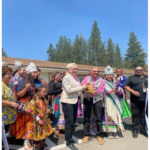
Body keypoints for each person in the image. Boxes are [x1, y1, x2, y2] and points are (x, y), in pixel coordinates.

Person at [10, 62, 45, 149]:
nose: (36, 74)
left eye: (36, 72)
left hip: (31, 105)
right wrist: (26, 89)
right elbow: (18, 94)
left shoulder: (33, 82)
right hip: (24, 106)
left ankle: (30, 140)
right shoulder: (23, 82)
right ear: (29, 73)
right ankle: (25, 142)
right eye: (34, 72)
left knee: (31, 124)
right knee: (25, 125)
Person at [60, 63, 89, 150]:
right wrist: (81, 87)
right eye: (73, 69)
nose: (75, 70)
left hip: (75, 101)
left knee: (73, 122)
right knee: (69, 122)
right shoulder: (66, 78)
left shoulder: (75, 78)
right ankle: (68, 141)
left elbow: (78, 88)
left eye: (76, 69)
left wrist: (84, 86)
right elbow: (69, 90)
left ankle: (70, 138)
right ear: (68, 70)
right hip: (68, 102)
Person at [81, 67, 106, 145]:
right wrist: (86, 88)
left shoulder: (102, 80)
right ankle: (86, 134)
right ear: (90, 72)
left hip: (97, 100)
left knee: (98, 118)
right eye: (94, 71)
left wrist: (90, 91)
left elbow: (100, 91)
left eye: (97, 71)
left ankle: (99, 135)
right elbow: (82, 85)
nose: (96, 72)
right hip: (87, 99)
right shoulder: (86, 78)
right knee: (86, 117)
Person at [124, 65, 148, 138]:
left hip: (146, 100)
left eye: (140, 70)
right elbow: (125, 86)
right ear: (135, 71)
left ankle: (143, 129)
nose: (139, 71)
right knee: (135, 115)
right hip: (135, 100)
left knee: (144, 115)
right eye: (137, 70)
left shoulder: (147, 77)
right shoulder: (131, 78)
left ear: (143, 70)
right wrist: (133, 91)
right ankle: (135, 129)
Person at [102, 66, 125, 139]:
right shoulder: (102, 82)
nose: (109, 76)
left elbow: (121, 93)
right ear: (105, 75)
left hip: (116, 101)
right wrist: (110, 91)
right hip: (108, 101)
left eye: (111, 74)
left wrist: (116, 91)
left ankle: (115, 131)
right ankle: (109, 132)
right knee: (109, 115)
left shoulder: (116, 82)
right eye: (108, 75)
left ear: (113, 75)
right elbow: (101, 93)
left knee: (116, 115)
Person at [2, 66, 19, 150]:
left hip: (6, 117)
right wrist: (11, 103)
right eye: (7, 74)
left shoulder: (7, 85)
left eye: (10, 74)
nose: (10, 76)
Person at [48, 72, 65, 138]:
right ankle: (56, 130)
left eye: (60, 75)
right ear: (54, 76)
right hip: (55, 101)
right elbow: (50, 92)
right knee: (58, 114)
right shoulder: (52, 83)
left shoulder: (61, 82)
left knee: (62, 114)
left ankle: (61, 128)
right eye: (58, 75)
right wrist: (60, 89)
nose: (59, 77)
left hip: (62, 99)